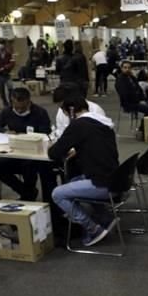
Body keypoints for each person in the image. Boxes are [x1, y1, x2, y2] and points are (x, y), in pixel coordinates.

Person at [48, 94, 120, 247]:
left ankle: (92, 228)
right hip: (116, 179)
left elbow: (54, 153)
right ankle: (104, 216)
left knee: (57, 194)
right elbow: (95, 146)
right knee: (75, 181)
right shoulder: (102, 123)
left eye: (67, 115)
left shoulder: (79, 125)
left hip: (103, 184)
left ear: (72, 111)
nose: (68, 119)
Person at [0, 88, 54, 201]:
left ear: (29, 101)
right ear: (12, 102)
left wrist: (28, 137)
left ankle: (28, 196)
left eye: (22, 108)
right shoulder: (7, 111)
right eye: (16, 107)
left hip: (34, 153)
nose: (19, 110)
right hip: (15, 151)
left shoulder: (40, 112)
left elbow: (45, 132)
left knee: (29, 168)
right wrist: (5, 132)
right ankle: (27, 192)